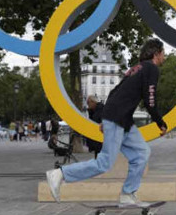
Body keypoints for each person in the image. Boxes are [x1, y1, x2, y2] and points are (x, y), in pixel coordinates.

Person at [46, 38, 168, 206]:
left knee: (141, 153)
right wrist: (160, 123)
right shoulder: (151, 69)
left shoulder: (134, 69)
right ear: (156, 54)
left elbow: (114, 92)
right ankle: (60, 174)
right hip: (118, 117)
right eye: (163, 53)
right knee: (105, 163)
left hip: (121, 119)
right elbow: (150, 100)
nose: (164, 57)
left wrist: (105, 118)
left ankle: (128, 193)